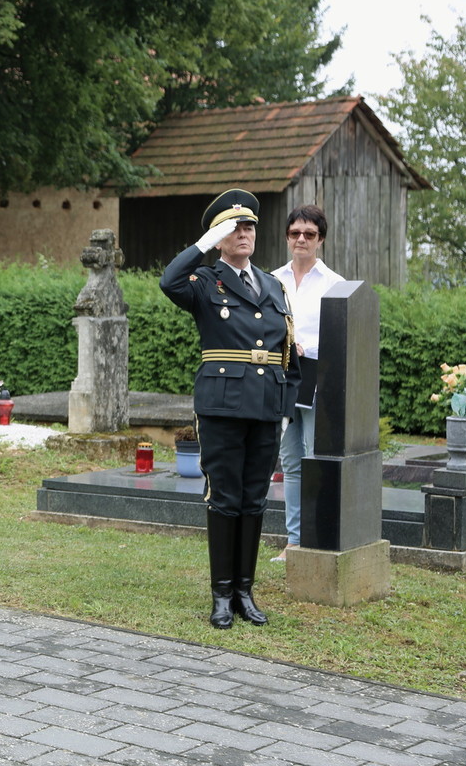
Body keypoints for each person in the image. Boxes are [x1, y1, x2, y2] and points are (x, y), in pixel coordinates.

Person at [160, 188, 299, 629]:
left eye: (250, 225)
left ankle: (244, 590)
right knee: (224, 499)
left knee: (254, 499)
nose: (245, 232)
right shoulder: (203, 281)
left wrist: (285, 406)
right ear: (219, 237)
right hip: (221, 405)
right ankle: (221, 594)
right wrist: (203, 244)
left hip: (264, 407)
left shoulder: (274, 285)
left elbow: (286, 351)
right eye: (234, 227)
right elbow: (169, 282)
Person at [271, 206, 345, 562]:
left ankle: (318, 538)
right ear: (287, 237)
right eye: (295, 232)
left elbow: (341, 335)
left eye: (309, 234)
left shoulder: (334, 283)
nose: (302, 239)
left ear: (321, 239)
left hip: (317, 381)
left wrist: (305, 346)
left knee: (315, 458)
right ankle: (295, 541)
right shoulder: (270, 280)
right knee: (290, 460)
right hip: (281, 379)